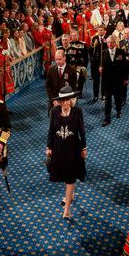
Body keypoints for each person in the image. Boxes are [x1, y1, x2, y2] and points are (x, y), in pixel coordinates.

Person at [46, 86, 86, 219]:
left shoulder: (78, 111)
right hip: (58, 148)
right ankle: (70, 194)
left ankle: (67, 209)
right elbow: (51, 130)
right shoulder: (55, 111)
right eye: (62, 100)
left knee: (70, 176)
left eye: (67, 100)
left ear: (72, 100)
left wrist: (84, 148)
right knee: (64, 173)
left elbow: (82, 131)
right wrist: (48, 147)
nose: (65, 103)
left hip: (73, 149)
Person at [101, 35, 128, 126]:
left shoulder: (121, 52)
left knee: (117, 98)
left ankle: (118, 110)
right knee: (108, 100)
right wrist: (100, 69)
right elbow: (100, 65)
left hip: (118, 80)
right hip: (107, 81)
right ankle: (107, 117)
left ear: (115, 43)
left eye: (112, 42)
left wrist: (125, 79)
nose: (110, 44)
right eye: (108, 42)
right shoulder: (103, 52)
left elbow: (125, 67)